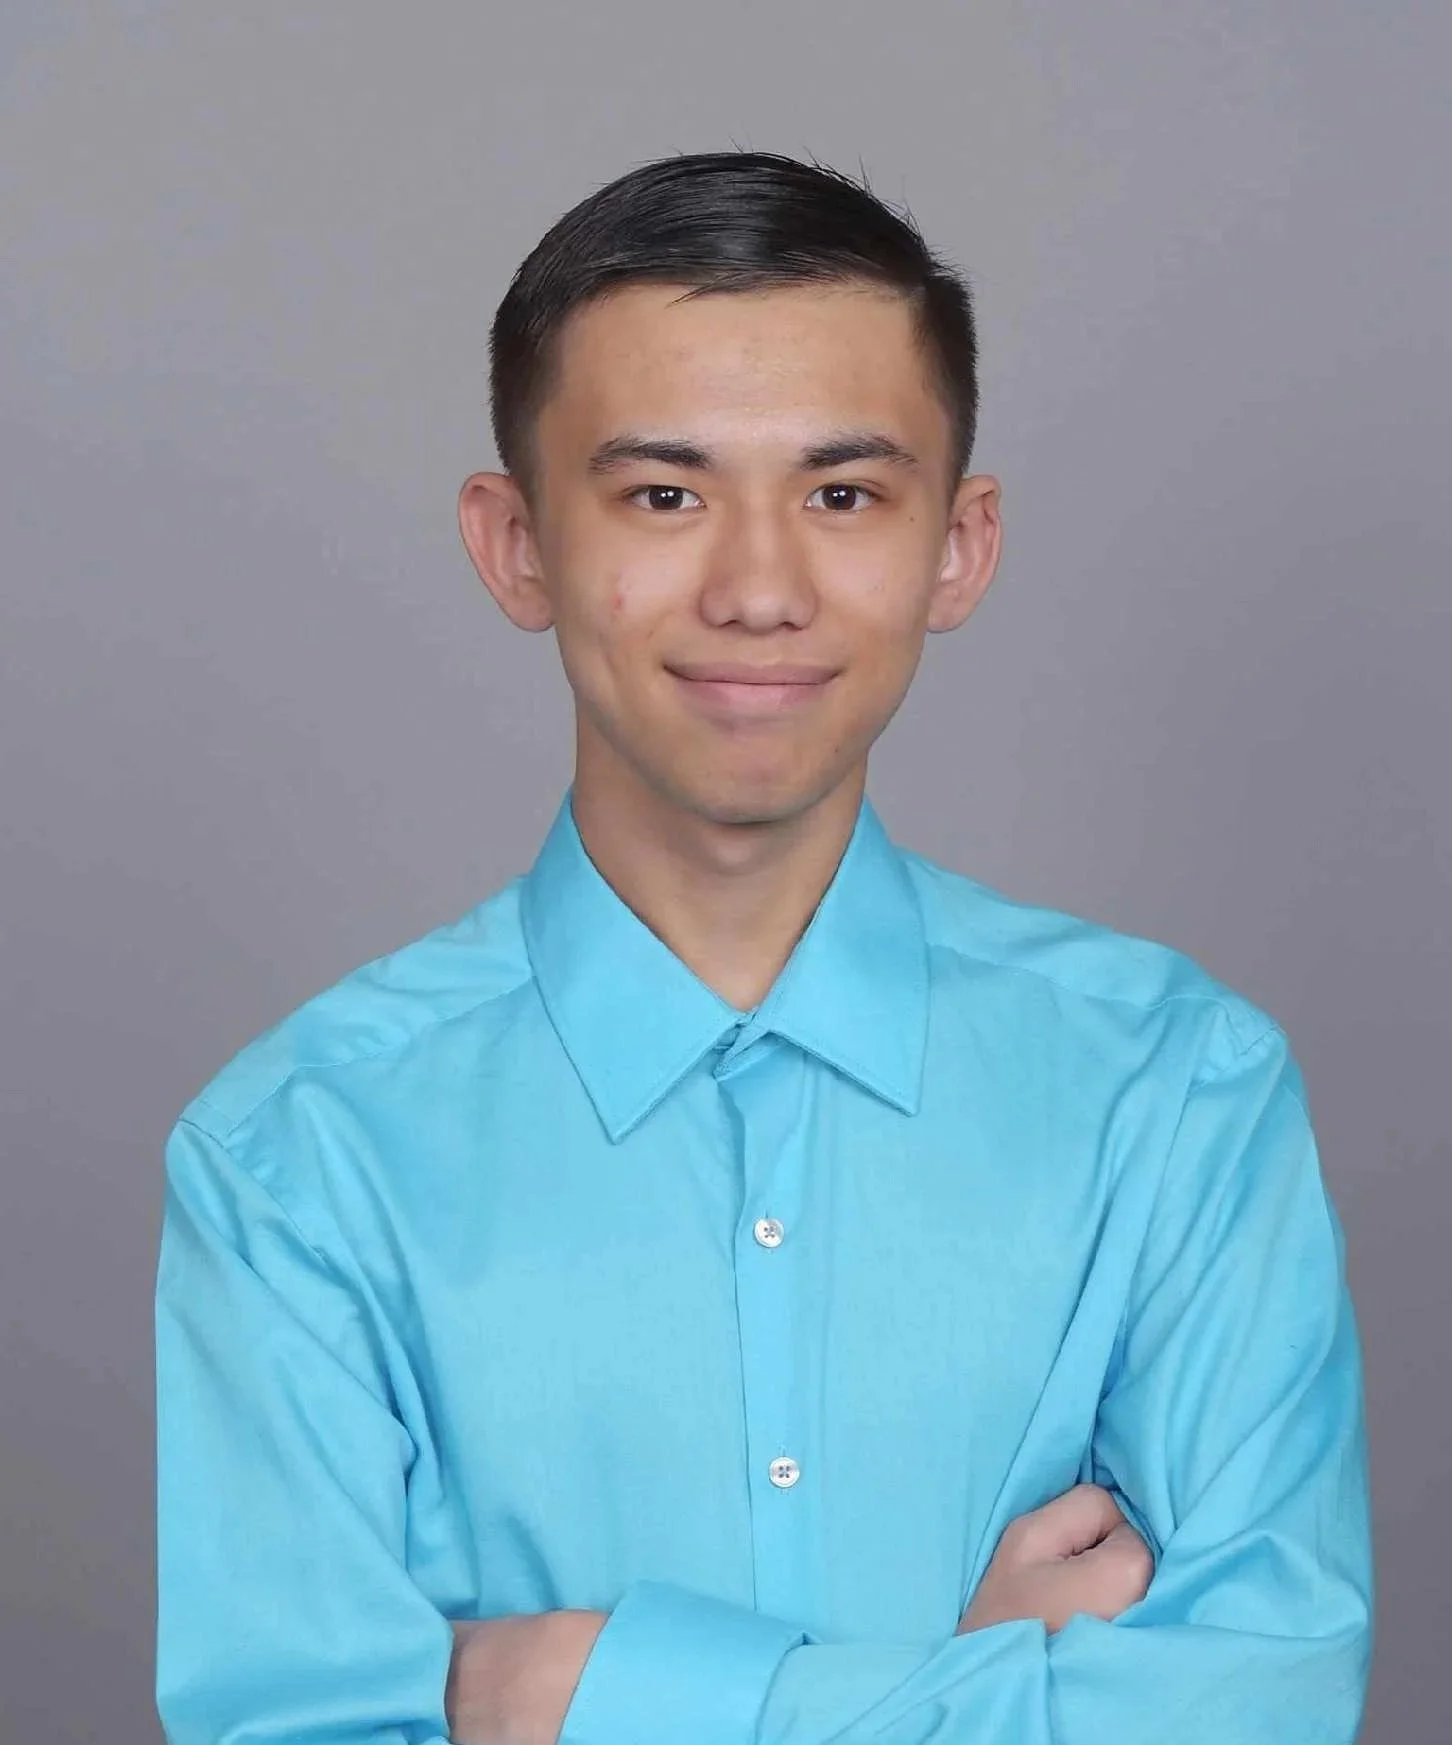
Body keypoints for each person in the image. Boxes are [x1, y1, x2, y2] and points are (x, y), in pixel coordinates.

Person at [153, 151, 1373, 1745]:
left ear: (960, 545)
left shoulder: (1181, 1096)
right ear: (515, 543)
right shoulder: (294, 1159)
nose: (758, 589)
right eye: (664, 495)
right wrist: (975, 1684)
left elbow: (1252, 1710)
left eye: (843, 495)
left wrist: (573, 1696)